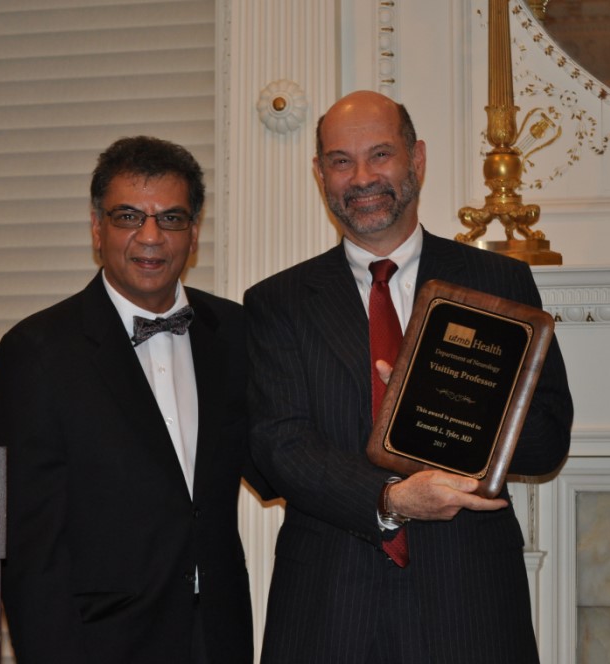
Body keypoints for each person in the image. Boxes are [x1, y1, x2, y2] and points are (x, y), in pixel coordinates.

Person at [244, 90, 574, 663]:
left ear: (416, 160)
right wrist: (392, 500)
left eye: (381, 155)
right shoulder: (277, 302)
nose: (362, 177)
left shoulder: (501, 281)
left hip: (472, 599)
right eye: (341, 161)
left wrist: (446, 397)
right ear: (320, 173)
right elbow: (282, 447)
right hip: (328, 605)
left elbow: (547, 437)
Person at [0, 136, 270, 663]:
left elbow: (276, 461)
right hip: (99, 645)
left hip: (220, 637)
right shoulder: (37, 351)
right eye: (128, 216)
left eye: (172, 219)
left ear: (195, 231)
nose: (151, 237)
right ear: (98, 228)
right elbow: (28, 547)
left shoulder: (234, 332)